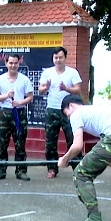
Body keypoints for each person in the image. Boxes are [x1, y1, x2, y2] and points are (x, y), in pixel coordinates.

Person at [38, 47, 82, 179]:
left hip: (68, 111)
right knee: (51, 141)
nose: (58, 60)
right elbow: (40, 90)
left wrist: (66, 88)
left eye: (60, 57)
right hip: (52, 109)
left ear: (65, 58)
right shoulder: (47, 72)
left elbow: (78, 90)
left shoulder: (72, 72)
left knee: (72, 139)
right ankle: (52, 168)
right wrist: (45, 87)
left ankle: (77, 168)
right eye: (55, 58)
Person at [0, 53, 34, 181]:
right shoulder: (0, 79)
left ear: (19, 63)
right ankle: (0, 170)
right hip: (4, 113)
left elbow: (30, 97)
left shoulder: (24, 79)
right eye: (10, 63)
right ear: (6, 63)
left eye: (15, 63)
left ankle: (21, 171)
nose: (13, 65)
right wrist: (6, 96)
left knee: (20, 143)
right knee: (2, 144)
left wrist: (20, 102)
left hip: (19, 113)